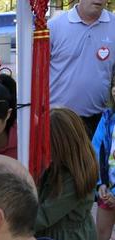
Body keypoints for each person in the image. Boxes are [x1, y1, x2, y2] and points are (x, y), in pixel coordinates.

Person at [35, 107, 99, 240]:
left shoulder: (73, 176)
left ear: (63, 145)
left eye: (49, 145)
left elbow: (44, 215)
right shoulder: (61, 166)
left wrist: (12, 225)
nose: (45, 149)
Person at [49, 0, 115, 138]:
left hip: (97, 121)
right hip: (59, 121)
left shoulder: (113, 25)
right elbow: (37, 72)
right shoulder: (55, 26)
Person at [91, 73, 115, 240]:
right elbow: (97, 149)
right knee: (100, 237)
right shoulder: (107, 118)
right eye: (114, 84)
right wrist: (101, 184)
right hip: (108, 191)